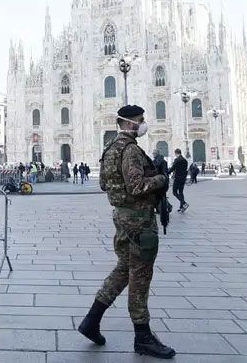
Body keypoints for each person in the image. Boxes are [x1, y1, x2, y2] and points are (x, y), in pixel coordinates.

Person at [78, 105, 175, 359]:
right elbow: (136, 186)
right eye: (141, 120)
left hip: (121, 217)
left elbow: (102, 183)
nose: (144, 124)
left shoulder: (110, 148)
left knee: (124, 269)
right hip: (138, 221)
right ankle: (142, 336)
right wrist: (161, 179)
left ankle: (91, 320)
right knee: (140, 275)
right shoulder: (130, 150)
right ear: (130, 123)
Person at [168, 149, 188, 213]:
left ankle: (184, 203)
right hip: (183, 179)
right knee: (181, 192)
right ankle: (181, 207)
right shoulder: (185, 160)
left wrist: (166, 173)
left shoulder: (177, 160)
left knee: (174, 192)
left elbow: (172, 168)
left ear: (176, 153)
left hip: (177, 178)